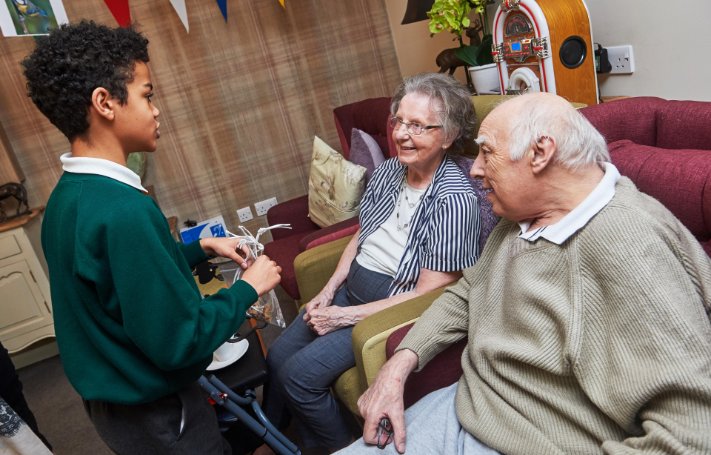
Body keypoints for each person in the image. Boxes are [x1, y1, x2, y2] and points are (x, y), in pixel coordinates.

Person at [339, 92, 711, 454]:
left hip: (524, 438)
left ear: (540, 152)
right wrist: (399, 364)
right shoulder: (524, 215)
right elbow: (468, 292)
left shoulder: (626, 244)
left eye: (487, 151)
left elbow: (692, 434)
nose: (475, 168)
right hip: (469, 404)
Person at [21, 21, 281, 454]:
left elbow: (121, 284)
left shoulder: (69, 197)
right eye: (146, 95)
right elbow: (180, 342)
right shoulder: (124, 209)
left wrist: (197, 249)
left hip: (116, 405)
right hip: (159, 415)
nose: (156, 109)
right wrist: (247, 290)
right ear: (104, 103)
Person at [256, 73, 483, 454]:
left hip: (387, 306)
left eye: (417, 125)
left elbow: (430, 292)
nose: (401, 135)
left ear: (447, 135)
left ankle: (338, 447)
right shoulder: (389, 172)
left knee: (299, 377)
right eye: (398, 121)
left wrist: (344, 317)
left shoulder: (454, 200)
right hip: (350, 290)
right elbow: (362, 235)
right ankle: (272, 438)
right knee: (277, 355)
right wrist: (327, 292)